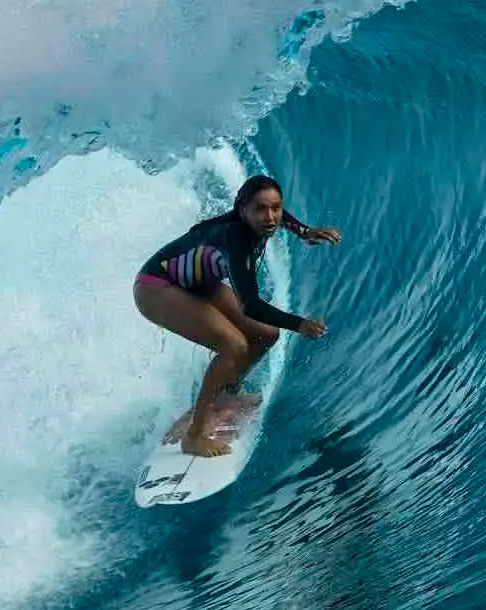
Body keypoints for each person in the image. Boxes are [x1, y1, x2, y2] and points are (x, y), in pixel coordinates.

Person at [133, 174, 341, 457]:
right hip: (156, 286)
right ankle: (194, 435)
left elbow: (277, 214)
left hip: (199, 283)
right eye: (260, 209)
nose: (270, 217)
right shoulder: (236, 240)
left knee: (266, 334)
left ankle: (224, 397)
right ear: (242, 210)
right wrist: (299, 324)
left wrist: (304, 232)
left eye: (275, 208)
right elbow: (250, 305)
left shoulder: (261, 220)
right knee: (234, 345)